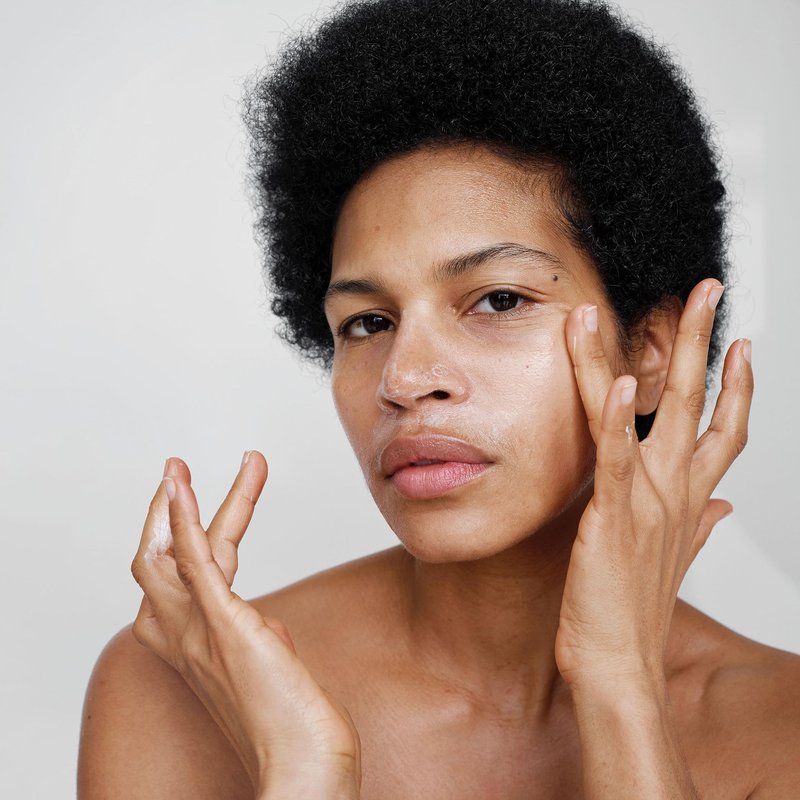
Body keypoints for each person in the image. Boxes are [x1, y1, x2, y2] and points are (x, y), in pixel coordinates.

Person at [77, 0, 800, 797]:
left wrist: (619, 685)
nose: (403, 378)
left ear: (652, 349)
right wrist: (306, 767)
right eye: (368, 322)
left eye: (498, 300)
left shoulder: (781, 728)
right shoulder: (176, 689)